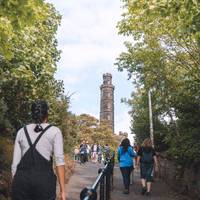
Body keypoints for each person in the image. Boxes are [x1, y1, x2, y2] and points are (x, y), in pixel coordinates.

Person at [11, 100, 66, 200]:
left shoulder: (21, 132)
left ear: (32, 114)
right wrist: (63, 190)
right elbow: (59, 161)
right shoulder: (55, 131)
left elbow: (15, 165)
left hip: (21, 183)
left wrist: (16, 184)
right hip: (44, 184)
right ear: (47, 114)